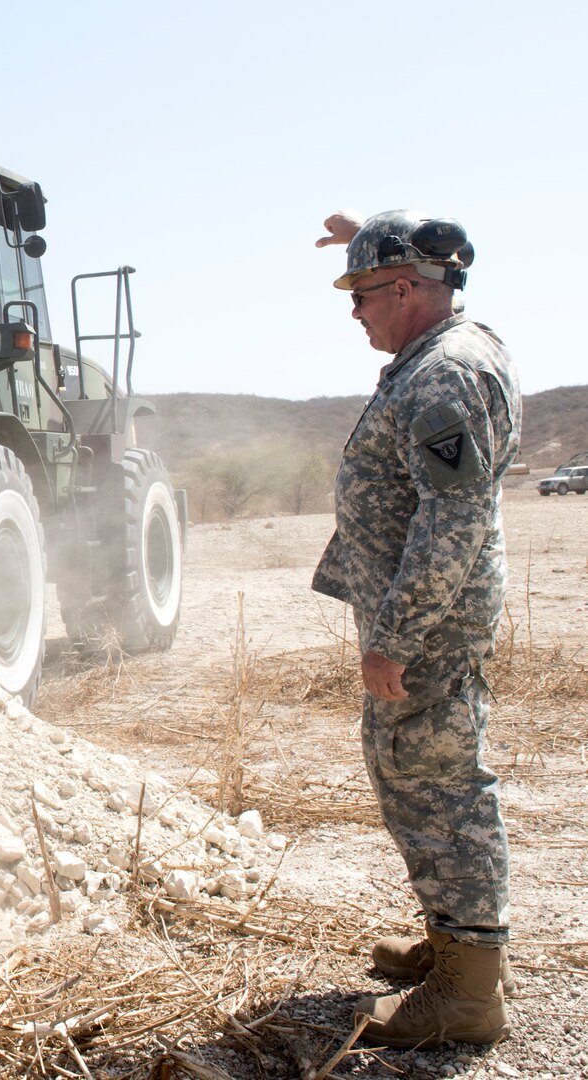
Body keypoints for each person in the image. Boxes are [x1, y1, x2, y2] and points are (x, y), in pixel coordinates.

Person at [313, 210, 521, 1047]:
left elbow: (453, 518)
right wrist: (371, 234)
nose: (354, 310)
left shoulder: (443, 376)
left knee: (440, 789)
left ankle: (469, 993)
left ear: (405, 290)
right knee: (413, 778)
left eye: (363, 293)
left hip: (428, 625)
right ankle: (453, 946)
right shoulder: (443, 353)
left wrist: (395, 635)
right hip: (426, 615)